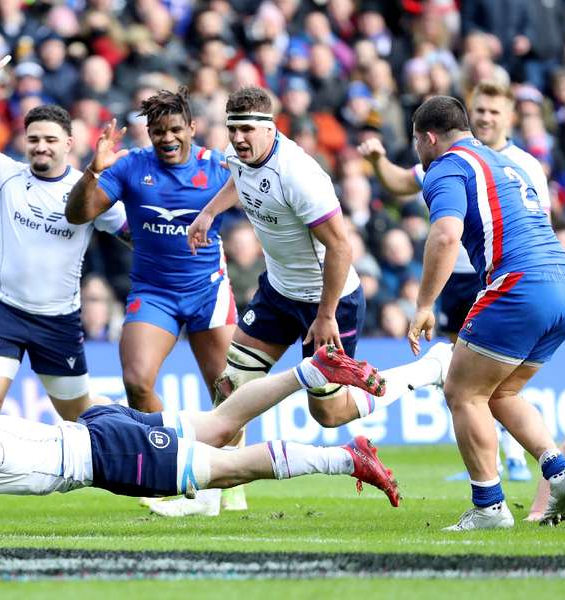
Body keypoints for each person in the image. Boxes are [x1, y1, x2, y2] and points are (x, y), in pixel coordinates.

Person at [161, 86, 450, 517]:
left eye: (246, 130)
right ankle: (210, 498)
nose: (238, 138)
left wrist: (326, 314)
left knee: (330, 414)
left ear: (270, 128)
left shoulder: (299, 174)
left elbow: (341, 248)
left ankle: (430, 369)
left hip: (329, 300)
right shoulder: (238, 154)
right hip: (279, 293)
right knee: (229, 387)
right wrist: (208, 212)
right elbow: (239, 181)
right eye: (232, 128)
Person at [0, 346, 399, 532]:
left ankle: (345, 458)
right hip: (99, 425)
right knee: (220, 423)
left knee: (231, 467)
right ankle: (311, 369)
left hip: (108, 455)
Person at [357, 80, 551, 483]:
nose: (485, 117)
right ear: (470, 116)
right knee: (483, 382)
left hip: (505, 281)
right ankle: (540, 467)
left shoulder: (494, 163)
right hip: (485, 279)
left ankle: (494, 487)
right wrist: (377, 163)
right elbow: (400, 182)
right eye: (480, 110)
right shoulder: (469, 159)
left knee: (470, 386)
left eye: (494, 112)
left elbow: (452, 234)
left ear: (509, 118)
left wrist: (422, 304)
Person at [407, 95, 565, 530]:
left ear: (429, 138)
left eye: (416, 143)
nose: (418, 153)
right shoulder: (506, 162)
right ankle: (560, 471)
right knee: (499, 393)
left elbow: (446, 235)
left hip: (520, 284)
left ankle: (489, 507)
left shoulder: (447, 164)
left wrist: (424, 304)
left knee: (461, 392)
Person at [0, 55, 128, 422]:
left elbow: (132, 235)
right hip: (4, 310)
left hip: (58, 319)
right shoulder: (4, 174)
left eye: (49, 139)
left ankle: (130, 423)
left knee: (79, 416)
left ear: (69, 143)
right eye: (33, 139)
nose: (40, 146)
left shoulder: (88, 189)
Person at [65, 87, 236, 415]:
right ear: (149, 134)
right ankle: (175, 446)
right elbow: (77, 214)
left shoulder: (217, 168)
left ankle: (234, 459)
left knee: (229, 394)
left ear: (192, 128)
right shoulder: (130, 166)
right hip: (154, 293)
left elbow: (263, 201)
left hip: (208, 292)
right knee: (136, 382)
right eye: (158, 132)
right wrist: (93, 171)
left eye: (175, 130)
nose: (167, 138)